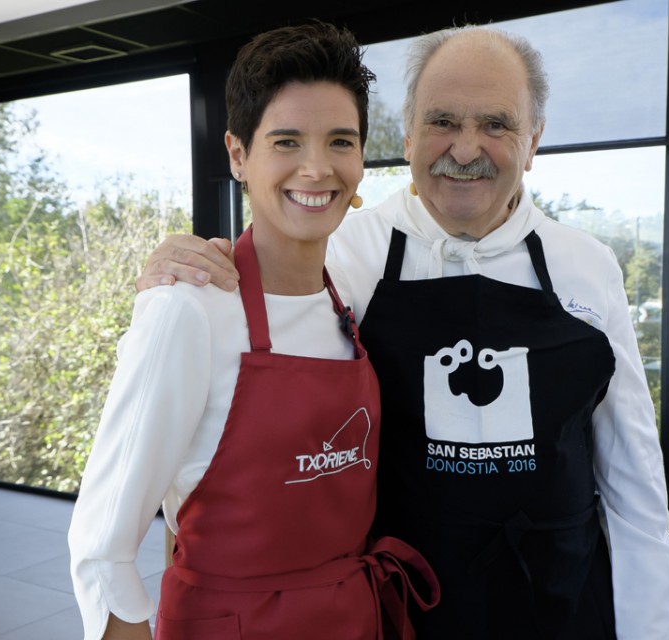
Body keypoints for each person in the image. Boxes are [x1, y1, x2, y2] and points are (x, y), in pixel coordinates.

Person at [136, 23, 669, 640]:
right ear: (409, 132)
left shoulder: (588, 264)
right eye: (443, 121)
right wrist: (181, 272)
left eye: (497, 125)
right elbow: (226, 412)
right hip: (398, 611)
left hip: (557, 603)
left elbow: (636, 489)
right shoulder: (341, 253)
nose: (467, 149)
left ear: (534, 142)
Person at [68, 21, 439, 640]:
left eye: (340, 142)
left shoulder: (352, 294)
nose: (317, 168)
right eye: (287, 142)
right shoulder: (189, 309)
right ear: (239, 155)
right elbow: (102, 546)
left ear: (362, 159)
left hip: (350, 618)